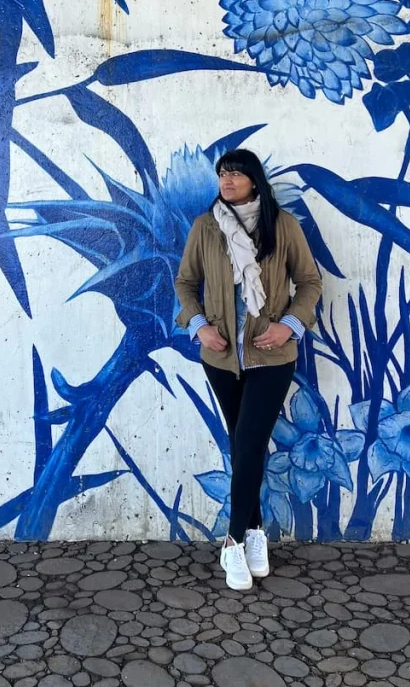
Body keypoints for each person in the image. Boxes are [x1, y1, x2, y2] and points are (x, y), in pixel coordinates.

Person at [175, 149, 322, 590]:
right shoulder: (205, 227)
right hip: (222, 357)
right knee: (243, 445)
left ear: (254, 180)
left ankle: (233, 540)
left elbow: (310, 282)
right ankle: (256, 531)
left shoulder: (282, 226)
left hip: (271, 357)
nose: (227, 180)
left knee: (251, 442)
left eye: (236, 174)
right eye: (222, 173)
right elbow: (186, 282)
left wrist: (289, 326)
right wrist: (199, 327)